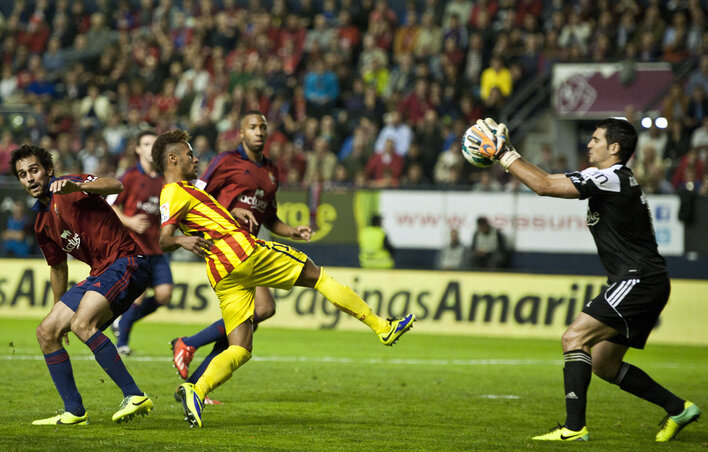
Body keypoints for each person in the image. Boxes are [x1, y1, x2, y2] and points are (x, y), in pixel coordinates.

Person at [152, 129, 415, 428]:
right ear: (172, 159)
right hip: (241, 252)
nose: (195, 158)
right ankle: (382, 327)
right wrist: (183, 241)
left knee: (241, 346)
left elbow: (199, 221)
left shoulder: (182, 191)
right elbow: (164, 239)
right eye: (189, 154)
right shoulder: (174, 192)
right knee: (316, 276)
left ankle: (196, 390)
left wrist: (229, 214)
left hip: (221, 270)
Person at [469, 117, 701, 442]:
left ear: (614, 148)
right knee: (604, 365)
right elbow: (546, 178)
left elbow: (545, 186)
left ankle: (574, 428)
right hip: (646, 279)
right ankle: (678, 408)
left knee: (573, 338)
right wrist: (509, 152)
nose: (589, 144)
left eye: (595, 139)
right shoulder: (616, 178)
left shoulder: (608, 176)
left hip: (638, 280)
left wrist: (504, 155)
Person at [169, 111, 310, 402]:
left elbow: (270, 218)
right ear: (241, 133)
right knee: (259, 312)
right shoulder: (226, 161)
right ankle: (189, 347)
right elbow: (198, 195)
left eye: (263, 127)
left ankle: (194, 382)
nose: (259, 132)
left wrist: (293, 231)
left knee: (250, 322)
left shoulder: (271, 170)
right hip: (226, 245)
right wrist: (228, 212)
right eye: (252, 127)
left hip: (251, 245)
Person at [10, 145, 154, 426]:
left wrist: (78, 184)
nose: (29, 178)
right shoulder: (41, 222)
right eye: (22, 174)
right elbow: (58, 267)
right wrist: (56, 311)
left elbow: (116, 185)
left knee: (81, 324)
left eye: (34, 170)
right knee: (46, 331)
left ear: (48, 170)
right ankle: (74, 410)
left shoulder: (71, 186)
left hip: (127, 261)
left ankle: (134, 395)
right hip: (100, 271)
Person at [107, 130, 174, 356]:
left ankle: (122, 321)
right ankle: (122, 343)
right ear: (138, 149)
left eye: (154, 145)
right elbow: (111, 206)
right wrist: (130, 221)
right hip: (135, 248)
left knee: (164, 294)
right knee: (140, 293)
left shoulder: (164, 179)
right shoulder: (129, 176)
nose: (151, 148)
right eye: (146, 144)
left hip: (156, 247)